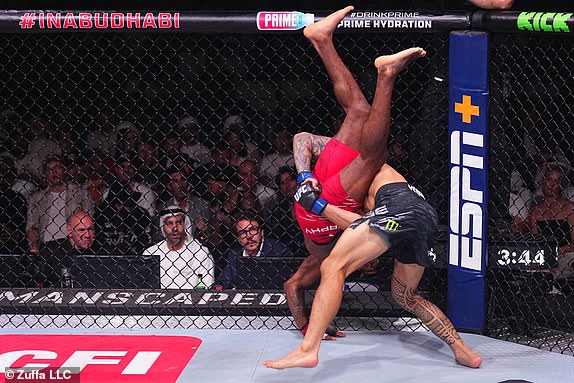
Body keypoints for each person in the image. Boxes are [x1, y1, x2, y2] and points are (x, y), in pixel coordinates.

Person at [284, 6, 426, 339]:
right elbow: (302, 138)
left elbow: (292, 287)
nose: (372, 262)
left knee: (374, 155)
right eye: (376, 263)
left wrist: (309, 326)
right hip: (317, 197)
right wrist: (305, 175)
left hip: (320, 209)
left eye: (372, 264)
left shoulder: (332, 261)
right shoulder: (336, 259)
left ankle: (386, 74)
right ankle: (322, 40)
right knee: (359, 110)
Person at [264, 163, 482, 370]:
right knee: (406, 296)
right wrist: (318, 205)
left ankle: (308, 349)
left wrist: (307, 183)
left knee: (333, 266)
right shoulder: (378, 184)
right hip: (424, 218)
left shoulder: (362, 164)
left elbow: (304, 138)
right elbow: (364, 222)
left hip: (396, 209)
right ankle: (463, 351)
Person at [143, 206, 214, 289]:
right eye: (170, 223)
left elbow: (206, 287)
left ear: (184, 224)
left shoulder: (200, 252)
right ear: (163, 227)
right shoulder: (151, 253)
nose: (174, 228)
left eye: (178, 223)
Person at [217, 211, 292, 289]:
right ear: (238, 238)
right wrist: (217, 289)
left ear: (261, 232)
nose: (249, 236)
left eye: (252, 229)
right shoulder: (235, 253)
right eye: (243, 232)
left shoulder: (278, 251)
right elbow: (224, 282)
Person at [36, 210, 96, 287]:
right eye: (81, 230)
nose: (87, 235)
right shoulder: (52, 250)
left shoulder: (103, 252)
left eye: (90, 229)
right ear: (69, 231)